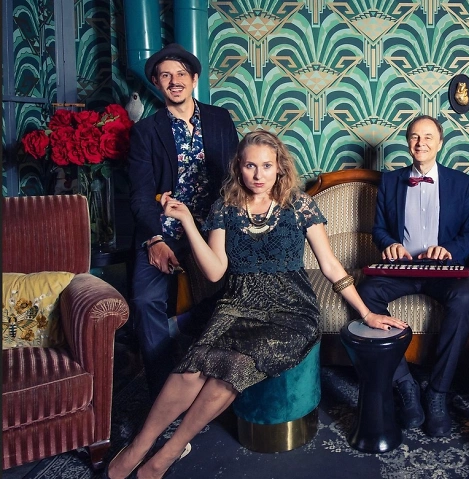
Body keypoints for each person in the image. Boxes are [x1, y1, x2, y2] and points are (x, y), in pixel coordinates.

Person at [106, 129, 406, 479]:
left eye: (266, 165)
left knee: (232, 369)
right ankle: (139, 446)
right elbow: (215, 272)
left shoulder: (299, 205)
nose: (258, 174)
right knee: (193, 365)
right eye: (250, 166)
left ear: (279, 167)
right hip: (237, 303)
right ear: (239, 167)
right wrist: (187, 221)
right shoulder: (224, 208)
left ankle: (168, 453)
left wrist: (367, 312)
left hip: (291, 310)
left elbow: (330, 266)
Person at [357, 115, 469, 437]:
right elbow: (379, 230)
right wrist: (389, 244)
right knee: (366, 293)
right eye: (414, 136)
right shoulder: (391, 181)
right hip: (402, 268)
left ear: (440, 143)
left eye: (428, 137)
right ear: (407, 142)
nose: (420, 143)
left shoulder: (461, 183)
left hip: (444, 270)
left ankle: (438, 392)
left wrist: (449, 250)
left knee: (465, 298)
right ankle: (405, 384)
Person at [128, 43, 239, 399]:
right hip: (166, 230)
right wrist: (154, 240)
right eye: (165, 76)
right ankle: (164, 392)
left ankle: (214, 369)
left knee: (242, 288)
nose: (174, 81)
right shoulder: (146, 131)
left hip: (215, 227)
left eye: (180, 74)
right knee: (145, 299)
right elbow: (140, 195)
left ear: (194, 79)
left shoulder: (220, 119)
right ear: (157, 84)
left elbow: (236, 178)